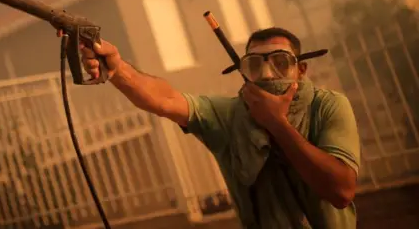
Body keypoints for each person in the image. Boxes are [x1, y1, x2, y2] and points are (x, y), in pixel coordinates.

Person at [72, 27, 361, 229]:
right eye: (255, 65)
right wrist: (118, 68)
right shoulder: (230, 115)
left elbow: (341, 190)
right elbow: (166, 99)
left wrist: (275, 122)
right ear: (244, 70)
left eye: (281, 63)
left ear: (301, 69)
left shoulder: (328, 106)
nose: (268, 74)